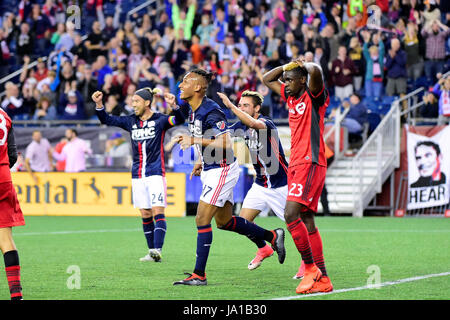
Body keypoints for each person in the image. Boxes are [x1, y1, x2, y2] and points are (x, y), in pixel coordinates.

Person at [171, 69, 285, 286]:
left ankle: (199, 275)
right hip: (212, 167)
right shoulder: (194, 110)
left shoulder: (211, 111)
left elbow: (225, 142)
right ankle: (273, 236)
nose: (180, 85)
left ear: (197, 87)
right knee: (224, 222)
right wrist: (200, 162)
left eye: (185, 81)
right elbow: (210, 139)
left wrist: (193, 139)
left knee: (201, 219)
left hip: (221, 170)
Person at [263, 59, 333, 294]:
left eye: (290, 81)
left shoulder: (314, 96)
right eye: (286, 81)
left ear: (303, 80)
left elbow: (317, 71)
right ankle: (323, 279)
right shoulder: (291, 96)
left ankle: (311, 268)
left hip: (310, 161)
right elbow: (266, 79)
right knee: (307, 220)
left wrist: (304, 63)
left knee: (290, 213)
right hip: (297, 163)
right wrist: (285, 68)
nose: (286, 84)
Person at [92, 88, 185, 263]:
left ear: (147, 102)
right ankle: (151, 252)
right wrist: (98, 104)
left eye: (136, 101)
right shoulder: (130, 121)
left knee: (158, 210)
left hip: (155, 173)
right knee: (145, 213)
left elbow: (179, 119)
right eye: (132, 101)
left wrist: (175, 106)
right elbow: (106, 119)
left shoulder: (160, 120)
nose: (133, 105)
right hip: (137, 175)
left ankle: (157, 249)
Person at [217, 90, 293, 271]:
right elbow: (222, 136)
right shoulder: (243, 125)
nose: (242, 108)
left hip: (280, 184)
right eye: (240, 104)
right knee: (243, 222)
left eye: (246, 105)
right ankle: (264, 248)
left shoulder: (266, 123)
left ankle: (308, 265)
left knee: (295, 227)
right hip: (260, 184)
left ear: (257, 108)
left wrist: (230, 106)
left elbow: (252, 122)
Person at [0, 108, 25, 300]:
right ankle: (16, 296)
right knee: (6, 240)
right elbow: (13, 155)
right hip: (4, 178)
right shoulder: (5, 115)